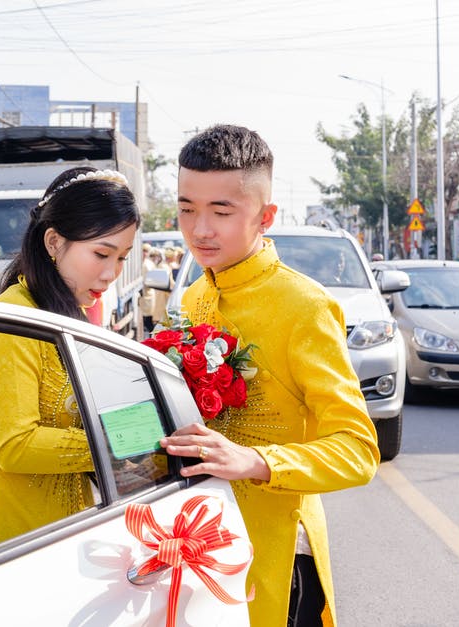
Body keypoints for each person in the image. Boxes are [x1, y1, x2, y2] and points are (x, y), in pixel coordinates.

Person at [160, 125, 378, 626]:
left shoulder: (305, 306)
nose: (199, 229)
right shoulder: (194, 298)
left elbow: (358, 449)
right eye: (187, 208)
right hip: (203, 541)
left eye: (221, 211)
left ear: (265, 216)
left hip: (277, 553)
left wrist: (256, 461)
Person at [0, 166, 140, 564]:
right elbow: (15, 446)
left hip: (58, 528)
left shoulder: (63, 317)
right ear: (53, 242)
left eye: (122, 258)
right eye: (101, 253)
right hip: (4, 534)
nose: (111, 273)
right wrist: (125, 437)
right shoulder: (13, 319)